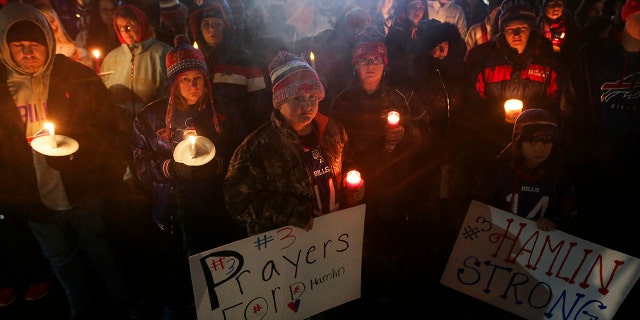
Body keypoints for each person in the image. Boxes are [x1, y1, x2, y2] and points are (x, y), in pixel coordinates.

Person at [0, 3, 141, 319]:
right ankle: (81, 307)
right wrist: (14, 198)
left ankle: (121, 300)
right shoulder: (1, 88)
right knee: (60, 257)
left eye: (35, 43)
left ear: (48, 41)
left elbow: (107, 128)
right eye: (18, 45)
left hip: (83, 187)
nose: (28, 52)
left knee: (100, 248)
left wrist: (84, 158)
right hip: (34, 195)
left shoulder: (76, 77)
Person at [132, 34, 247, 319]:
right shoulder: (150, 118)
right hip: (173, 213)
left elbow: (243, 153)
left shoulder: (223, 111)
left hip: (219, 210)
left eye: (198, 78)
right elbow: (140, 164)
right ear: (173, 83)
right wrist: (170, 169)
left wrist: (219, 165)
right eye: (185, 80)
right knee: (178, 272)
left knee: (220, 267)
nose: (194, 85)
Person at [328, 26, 422, 313]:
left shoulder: (400, 98)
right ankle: (356, 288)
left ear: (385, 63)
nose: (370, 66)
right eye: (363, 61)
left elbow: (422, 133)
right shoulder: (341, 100)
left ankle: (389, 289)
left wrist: (406, 134)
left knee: (389, 230)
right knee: (357, 234)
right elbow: (330, 142)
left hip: (392, 178)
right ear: (355, 65)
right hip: (355, 179)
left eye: (376, 60)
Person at [560, 1, 640, 318]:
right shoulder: (593, 55)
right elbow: (572, 104)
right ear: (626, 15)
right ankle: (587, 304)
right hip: (595, 166)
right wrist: (583, 153)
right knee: (595, 236)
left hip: (635, 169)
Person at [224, 50, 361, 235]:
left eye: (312, 97)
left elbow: (348, 162)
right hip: (290, 244)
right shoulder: (257, 148)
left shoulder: (332, 131)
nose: (307, 105)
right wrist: (292, 213)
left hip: (335, 234)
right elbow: (237, 199)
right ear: (279, 102)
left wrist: (351, 185)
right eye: (297, 98)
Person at [464, 0, 561, 181]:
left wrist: (529, 119)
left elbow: (553, 100)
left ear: (531, 28)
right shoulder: (484, 59)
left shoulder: (546, 61)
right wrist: (498, 115)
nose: (517, 34)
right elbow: (474, 102)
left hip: (533, 145)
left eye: (522, 27)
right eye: (510, 29)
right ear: (502, 29)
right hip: (493, 140)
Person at [473, 108, 577, 232]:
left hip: (540, 246)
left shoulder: (559, 177)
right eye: (532, 141)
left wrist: (554, 222)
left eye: (546, 142)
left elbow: (571, 214)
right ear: (519, 142)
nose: (540, 148)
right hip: (498, 241)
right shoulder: (497, 172)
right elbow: (477, 210)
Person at [189, 0, 270, 133]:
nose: (211, 29)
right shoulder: (195, 62)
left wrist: (246, 131)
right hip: (204, 134)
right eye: (206, 24)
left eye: (217, 24)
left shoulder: (245, 60)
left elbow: (260, 103)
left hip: (240, 133)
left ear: (227, 26)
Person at [101, 3, 172, 117]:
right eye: (121, 28)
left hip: (154, 123)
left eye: (130, 26)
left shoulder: (163, 54)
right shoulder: (111, 58)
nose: (126, 31)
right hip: (121, 126)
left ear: (140, 25)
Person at [34, 2, 93, 68]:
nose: (37, 29)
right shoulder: (31, 55)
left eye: (41, 23)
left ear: (54, 24)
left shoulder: (77, 52)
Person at [385, 0, 429, 85]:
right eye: (414, 7)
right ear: (406, 9)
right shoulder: (395, 31)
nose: (417, 11)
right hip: (400, 82)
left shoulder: (427, 31)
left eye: (421, 8)